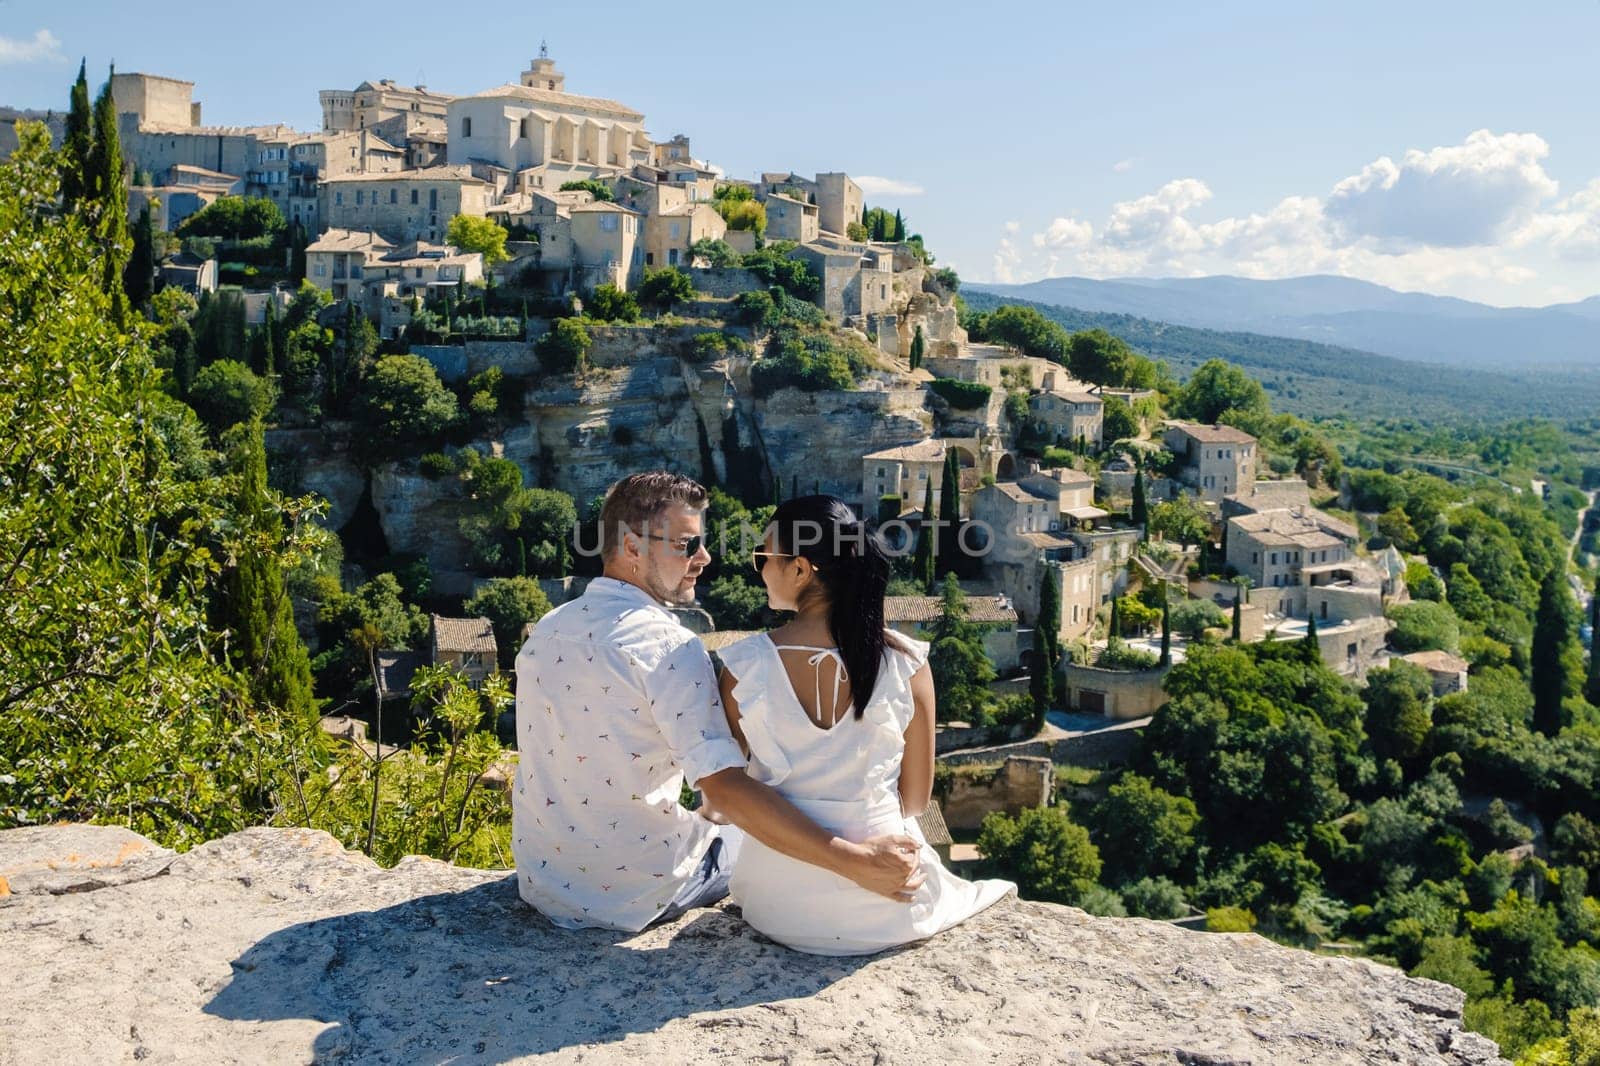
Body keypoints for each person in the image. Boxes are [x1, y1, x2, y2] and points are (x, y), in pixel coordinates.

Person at [512, 472, 924, 932]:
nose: (704, 558)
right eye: (687, 545)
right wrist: (855, 860)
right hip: (634, 894)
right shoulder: (668, 647)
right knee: (762, 841)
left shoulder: (547, 627)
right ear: (632, 547)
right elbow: (726, 790)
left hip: (543, 880)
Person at [715, 495, 1013, 955]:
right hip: (891, 901)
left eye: (762, 556)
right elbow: (914, 800)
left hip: (774, 904)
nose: (758, 569)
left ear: (799, 569)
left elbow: (733, 794)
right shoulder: (908, 663)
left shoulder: (742, 666)